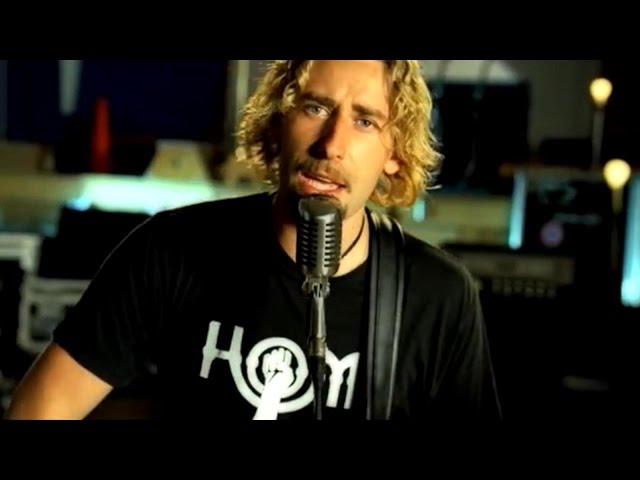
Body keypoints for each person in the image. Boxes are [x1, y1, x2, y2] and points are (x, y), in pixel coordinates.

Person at [4, 60, 502, 421]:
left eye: (365, 121)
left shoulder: (437, 296)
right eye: (315, 107)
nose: (332, 144)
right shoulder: (170, 248)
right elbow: (41, 408)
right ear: (280, 121)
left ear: (394, 153)